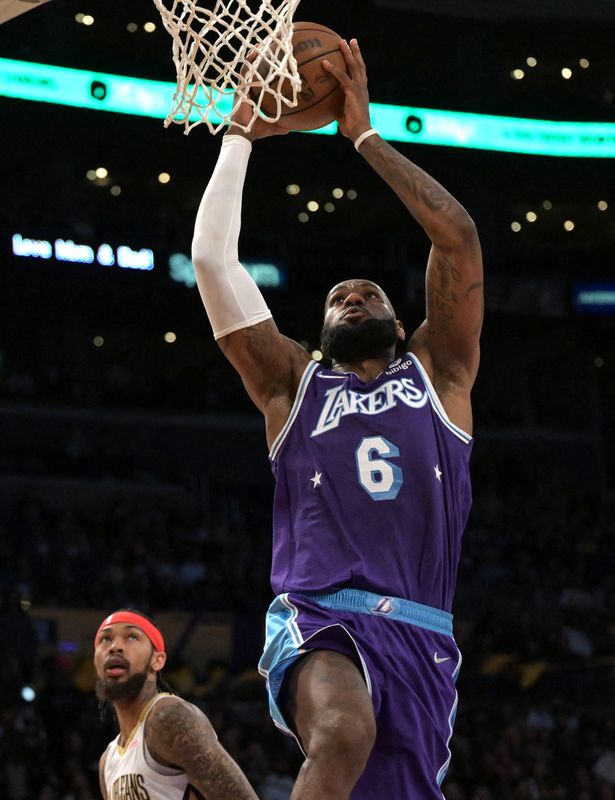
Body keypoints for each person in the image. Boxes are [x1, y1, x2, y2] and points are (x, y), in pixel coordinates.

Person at [191, 37, 483, 800]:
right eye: (336, 297)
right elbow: (214, 263)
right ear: (317, 330)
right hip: (321, 615)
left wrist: (363, 136)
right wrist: (239, 137)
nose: (352, 298)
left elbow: (455, 237)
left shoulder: (439, 371)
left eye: (370, 294)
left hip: (423, 637)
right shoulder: (291, 383)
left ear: (398, 320)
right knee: (343, 732)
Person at [94, 609, 259, 799]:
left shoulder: (168, 717)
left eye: (131, 637)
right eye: (106, 639)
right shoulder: (107, 761)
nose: (115, 646)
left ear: (157, 660)